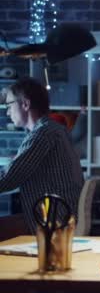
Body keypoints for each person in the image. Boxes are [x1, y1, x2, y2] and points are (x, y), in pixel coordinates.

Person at [0, 77, 84, 235]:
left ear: (25, 104)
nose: (7, 111)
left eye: (9, 105)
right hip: (60, 214)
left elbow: (8, 178)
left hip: (53, 220)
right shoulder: (54, 129)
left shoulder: (43, 134)